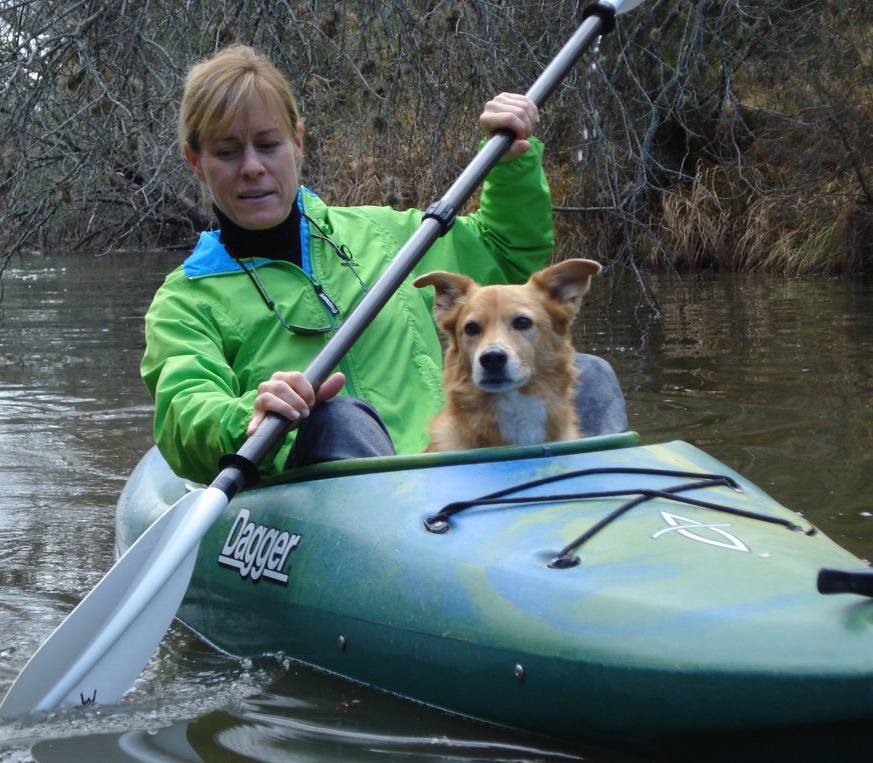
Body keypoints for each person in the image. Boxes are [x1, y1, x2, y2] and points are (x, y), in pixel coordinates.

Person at [141, 44, 625, 485]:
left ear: (297, 143)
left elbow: (504, 251)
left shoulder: (387, 235)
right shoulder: (185, 301)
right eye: (227, 152)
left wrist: (512, 163)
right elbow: (184, 409)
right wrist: (250, 413)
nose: (251, 167)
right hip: (344, 498)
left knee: (592, 375)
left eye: (268, 145)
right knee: (336, 417)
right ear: (195, 161)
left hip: (450, 465)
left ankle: (603, 518)